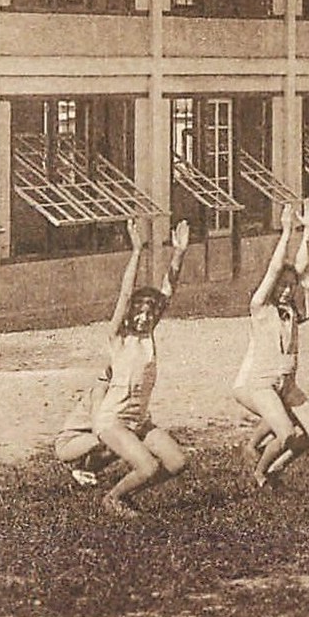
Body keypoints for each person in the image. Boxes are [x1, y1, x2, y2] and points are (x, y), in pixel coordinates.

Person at [95, 219, 191, 517]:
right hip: (112, 421)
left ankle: (130, 491)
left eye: (150, 313)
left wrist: (179, 253)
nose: (144, 317)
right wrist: (136, 251)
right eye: (139, 312)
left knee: (177, 463)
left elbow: (168, 292)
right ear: (129, 315)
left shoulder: (148, 335)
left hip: (139, 420)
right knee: (148, 467)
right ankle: (113, 498)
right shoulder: (118, 337)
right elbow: (125, 296)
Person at [233, 199, 309, 489]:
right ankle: (260, 473)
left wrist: (307, 231)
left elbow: (306, 308)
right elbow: (275, 269)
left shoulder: (291, 310)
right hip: (263, 384)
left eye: (289, 286)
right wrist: (286, 232)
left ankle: (275, 467)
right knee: (285, 433)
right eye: (280, 286)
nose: (285, 291)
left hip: (288, 384)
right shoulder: (260, 307)